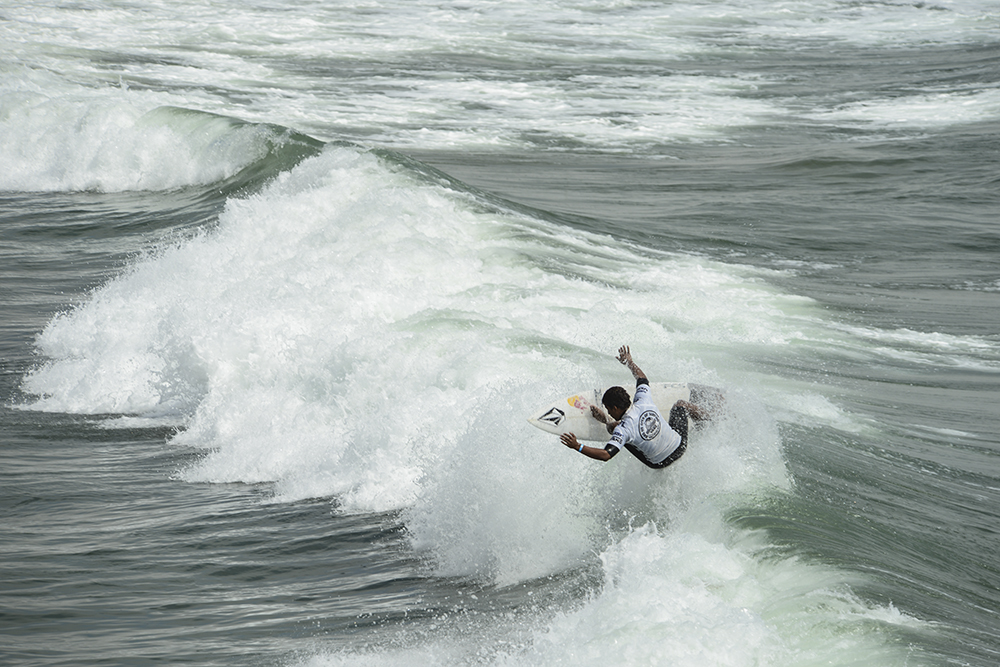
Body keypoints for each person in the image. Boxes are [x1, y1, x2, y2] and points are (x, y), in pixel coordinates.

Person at [560, 345, 711, 469]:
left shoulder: (623, 429)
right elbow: (642, 379)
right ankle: (710, 418)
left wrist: (577, 446)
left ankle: (607, 422)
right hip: (680, 446)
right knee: (681, 405)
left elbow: (606, 455)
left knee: (616, 431)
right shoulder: (643, 399)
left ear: (615, 407)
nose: (608, 410)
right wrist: (629, 363)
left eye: (608, 409)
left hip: (660, 462)